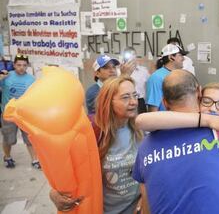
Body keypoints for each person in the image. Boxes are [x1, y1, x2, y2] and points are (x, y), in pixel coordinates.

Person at [133, 70, 219, 213]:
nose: (213, 108)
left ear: (164, 101)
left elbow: (146, 204)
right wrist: (207, 119)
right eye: (207, 101)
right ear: (199, 92)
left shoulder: (145, 147)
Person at [50, 75, 143, 213]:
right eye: (125, 97)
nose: (133, 102)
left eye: (135, 95)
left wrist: (143, 199)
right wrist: (54, 194)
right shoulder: (92, 131)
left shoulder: (140, 130)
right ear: (108, 102)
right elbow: (67, 169)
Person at [0, 54, 39, 169]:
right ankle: (7, 157)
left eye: (24, 65)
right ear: (14, 65)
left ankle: (35, 160)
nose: (21, 67)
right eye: (19, 65)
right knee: (9, 139)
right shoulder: (6, 76)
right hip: (8, 114)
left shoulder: (31, 79)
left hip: (24, 115)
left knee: (29, 139)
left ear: (27, 66)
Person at [146, 44, 186, 112]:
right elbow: (153, 108)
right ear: (171, 57)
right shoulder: (156, 77)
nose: (183, 58)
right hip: (164, 121)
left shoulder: (180, 75)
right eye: (180, 55)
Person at [121, 47, 150, 114]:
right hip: (125, 100)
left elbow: (148, 87)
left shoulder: (144, 71)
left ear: (136, 56)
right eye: (129, 54)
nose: (132, 57)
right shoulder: (119, 71)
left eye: (133, 54)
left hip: (140, 101)